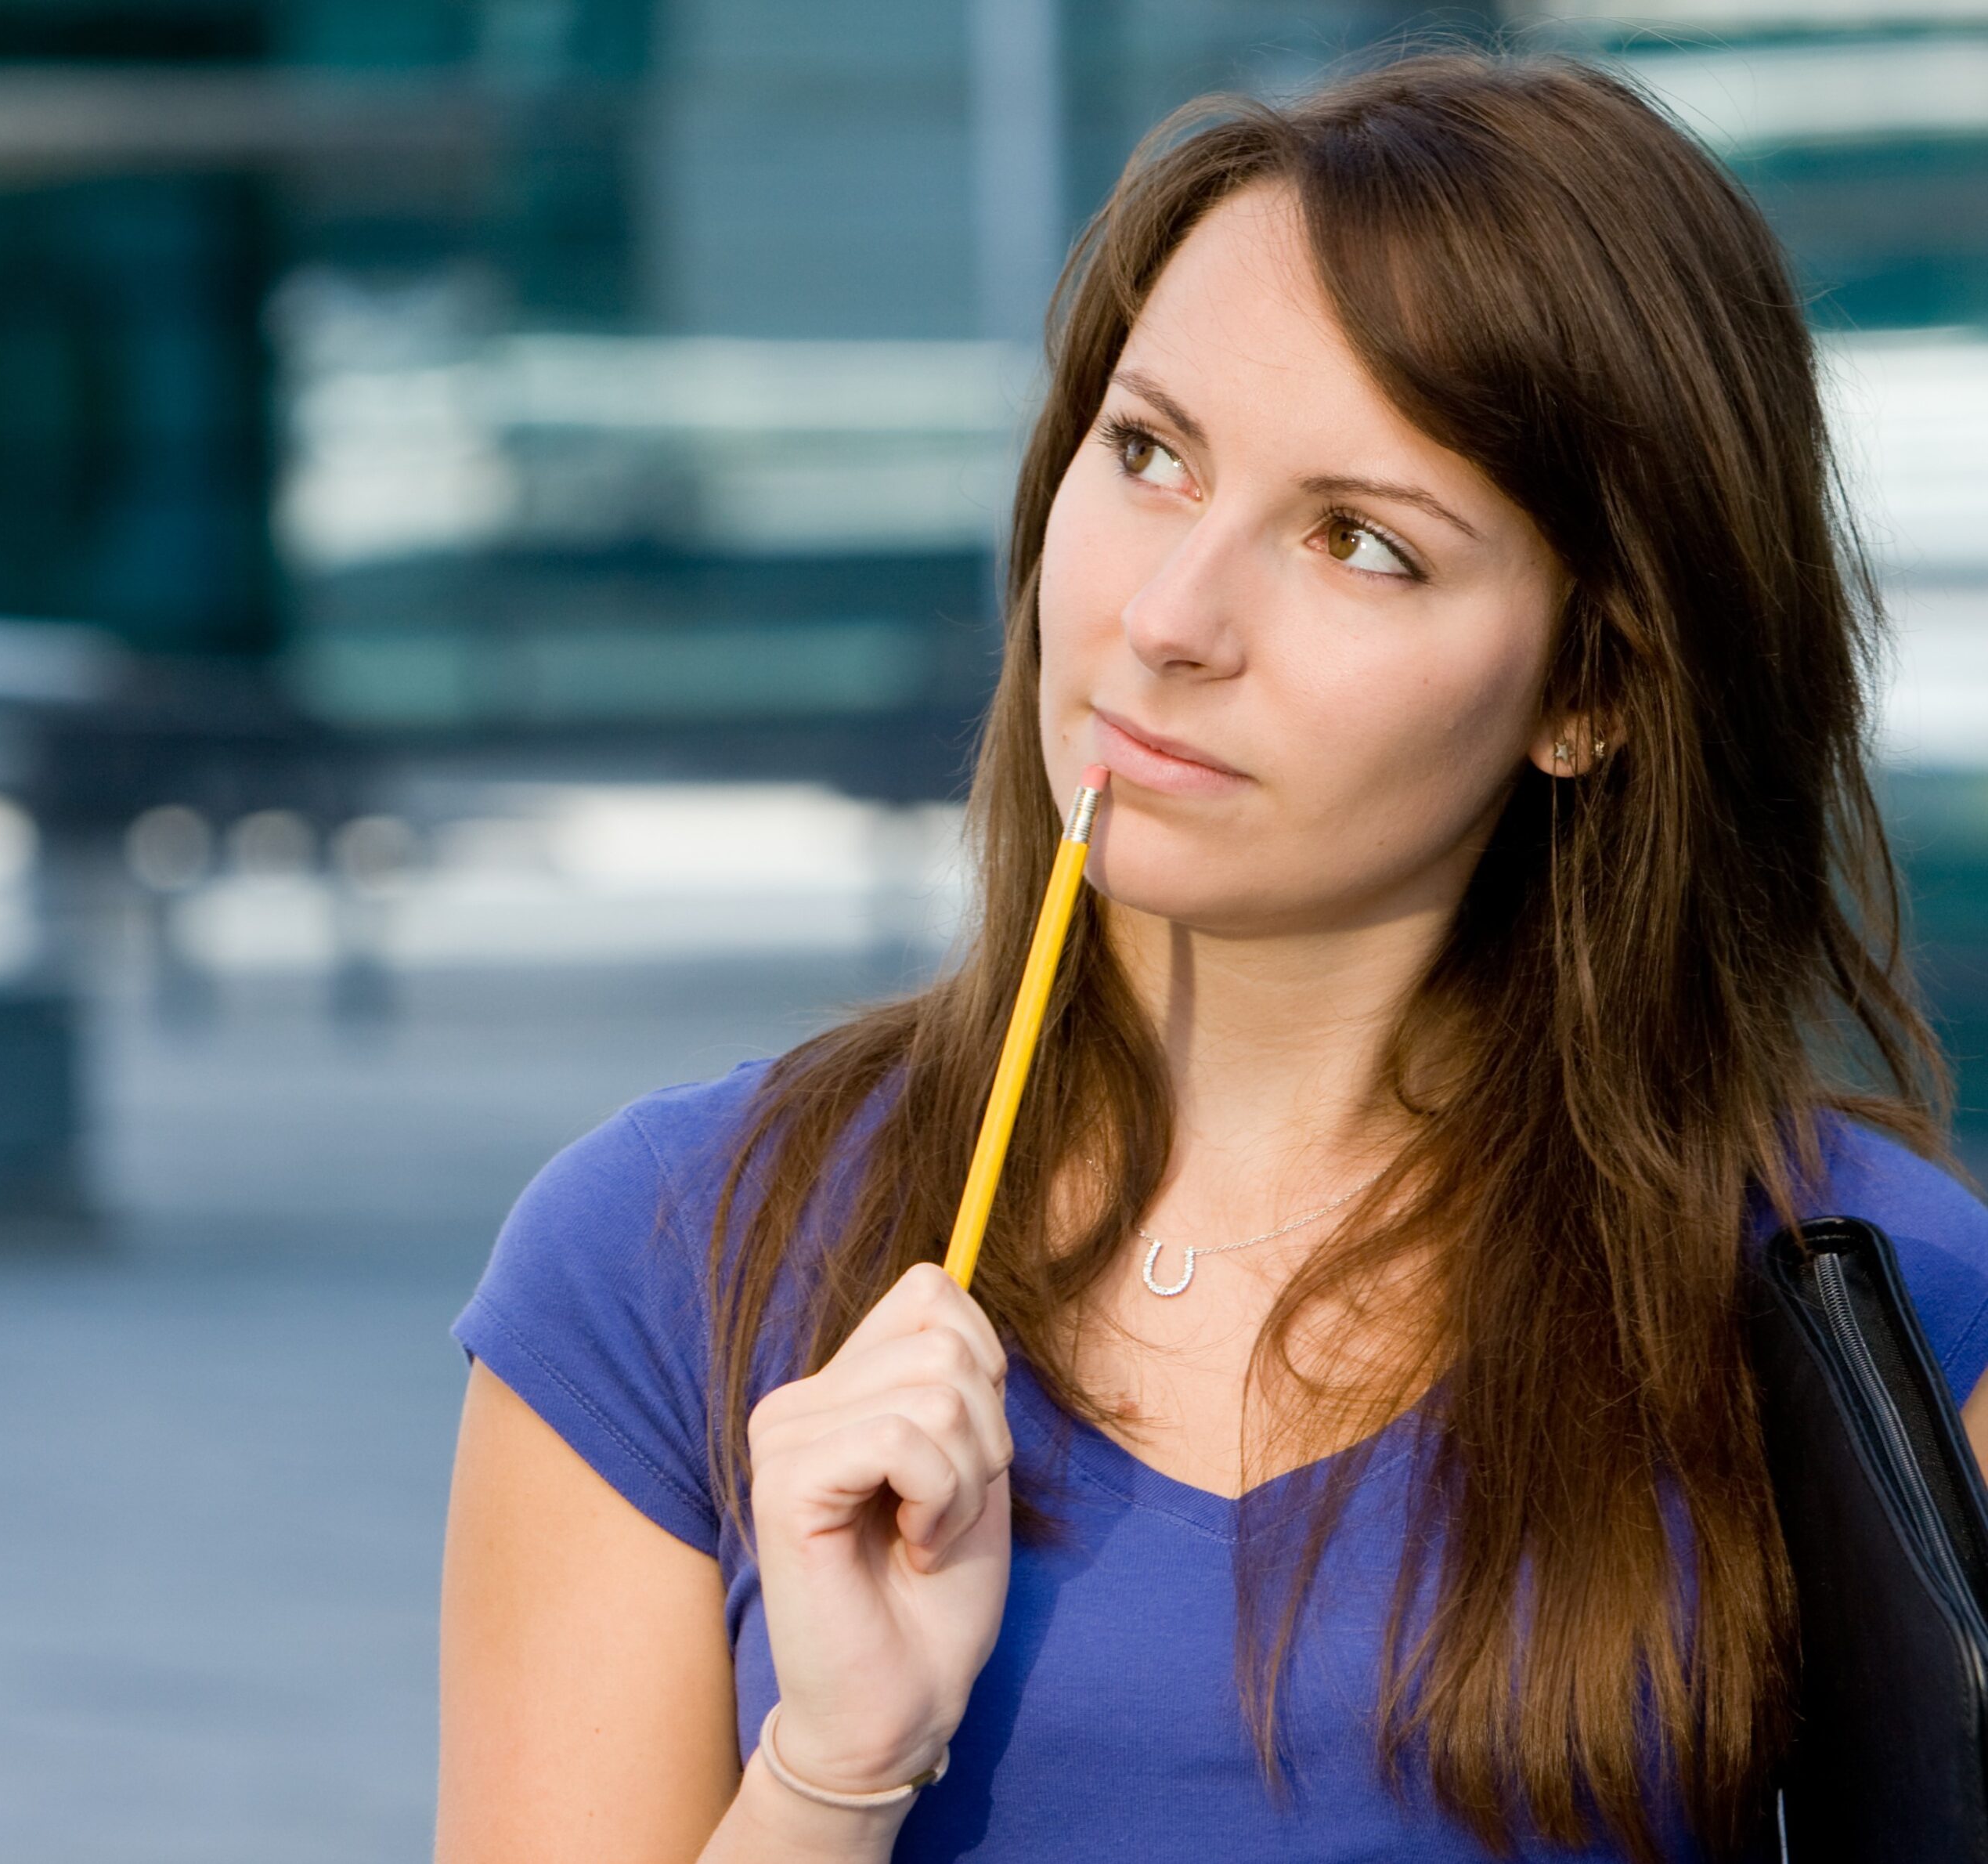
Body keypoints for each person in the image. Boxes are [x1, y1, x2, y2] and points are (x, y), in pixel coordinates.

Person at [434, 47, 1988, 1864]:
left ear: (1590, 687)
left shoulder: (1870, 1311)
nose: (1166, 618)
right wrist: (832, 1767)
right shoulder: (658, 1261)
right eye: (1148, 452)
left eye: (1357, 542)